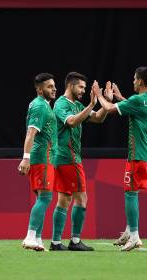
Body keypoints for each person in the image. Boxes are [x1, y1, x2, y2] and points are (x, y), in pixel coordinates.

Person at [96, 67, 147, 252]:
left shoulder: (138, 100)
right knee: (133, 191)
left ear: (141, 81)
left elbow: (109, 109)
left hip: (138, 155)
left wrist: (98, 96)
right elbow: (137, 109)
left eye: (134, 79)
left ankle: (134, 236)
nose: (133, 81)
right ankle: (128, 231)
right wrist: (121, 98)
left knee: (130, 192)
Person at [50, 72, 108, 251]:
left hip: (66, 157)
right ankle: (74, 241)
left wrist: (104, 101)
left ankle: (56, 242)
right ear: (70, 86)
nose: (83, 90)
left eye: (85, 87)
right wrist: (92, 103)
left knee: (64, 199)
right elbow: (73, 122)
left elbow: (98, 118)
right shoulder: (61, 104)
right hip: (68, 157)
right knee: (81, 199)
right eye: (81, 87)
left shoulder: (76, 105)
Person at [18, 73, 58, 251]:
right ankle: (30, 236)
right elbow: (30, 134)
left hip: (46, 158)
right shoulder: (40, 106)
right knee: (45, 198)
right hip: (42, 158)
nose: (54, 88)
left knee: (43, 198)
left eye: (54, 85)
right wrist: (26, 158)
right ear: (39, 89)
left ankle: (38, 239)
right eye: (49, 86)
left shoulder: (44, 106)